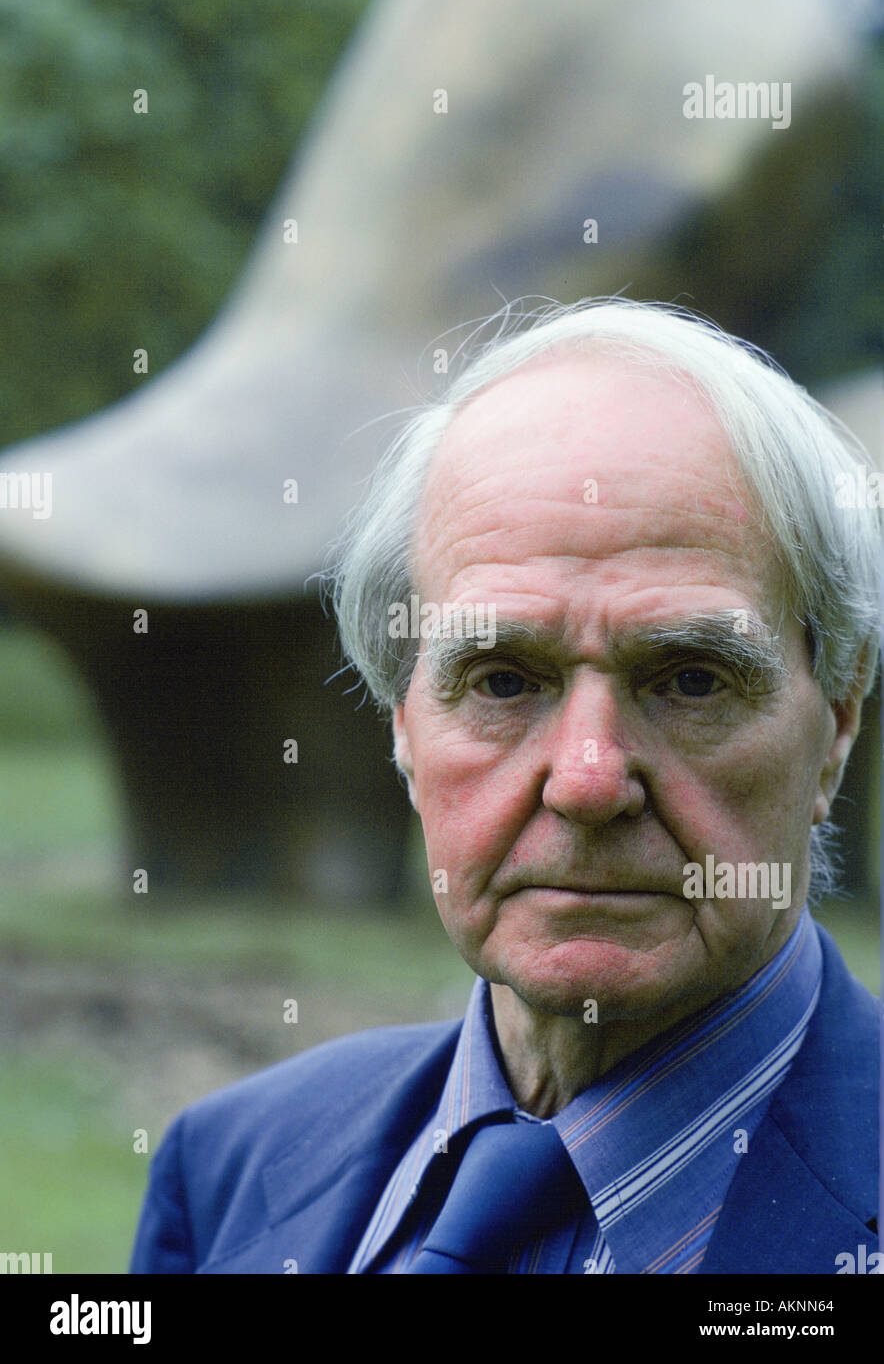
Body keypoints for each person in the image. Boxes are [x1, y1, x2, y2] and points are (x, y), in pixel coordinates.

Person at [130, 299, 881, 1274]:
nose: (585, 779)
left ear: (834, 720)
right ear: (403, 722)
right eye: (501, 680)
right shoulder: (230, 1164)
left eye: (690, 678)